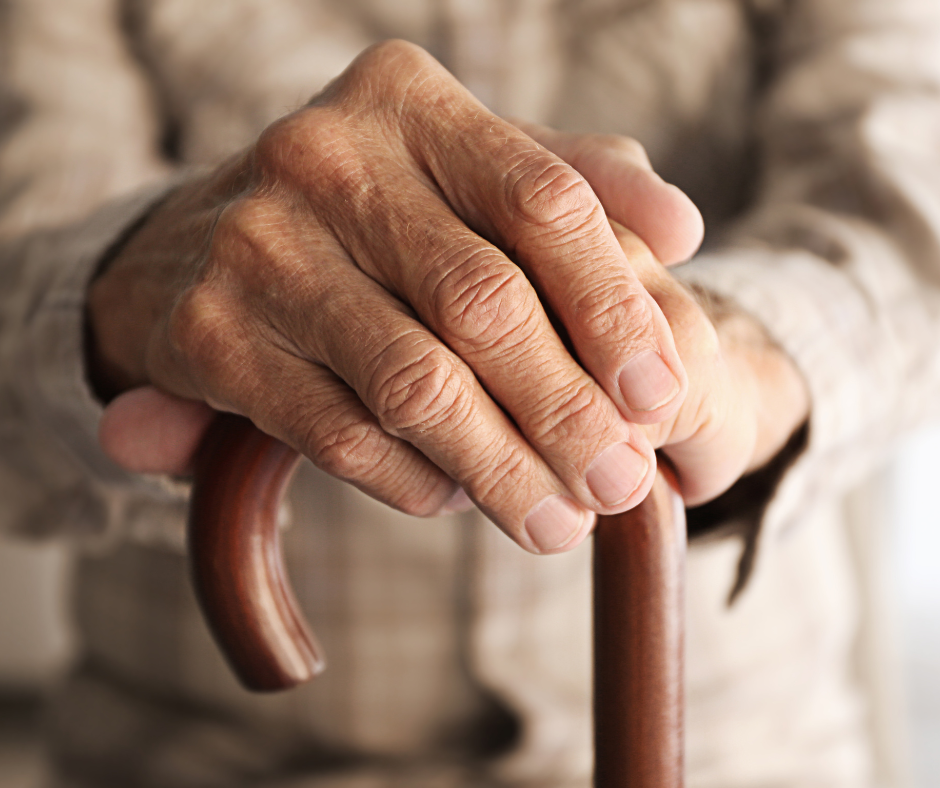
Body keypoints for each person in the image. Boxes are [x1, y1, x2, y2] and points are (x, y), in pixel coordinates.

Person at [1, 0, 938, 785]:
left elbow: (906, 182)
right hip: (206, 758)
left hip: (736, 750)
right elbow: (25, 222)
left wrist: (722, 352)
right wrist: (140, 287)